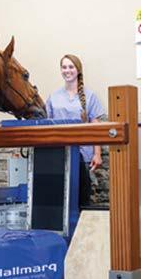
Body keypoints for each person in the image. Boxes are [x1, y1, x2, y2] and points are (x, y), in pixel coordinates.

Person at [46, 54, 106, 207]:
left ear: (78, 70)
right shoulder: (53, 97)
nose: (67, 70)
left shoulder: (90, 96)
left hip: (82, 156)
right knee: (58, 199)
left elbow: (95, 127)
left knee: (81, 199)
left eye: (71, 67)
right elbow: (46, 127)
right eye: (64, 67)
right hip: (58, 156)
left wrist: (97, 154)